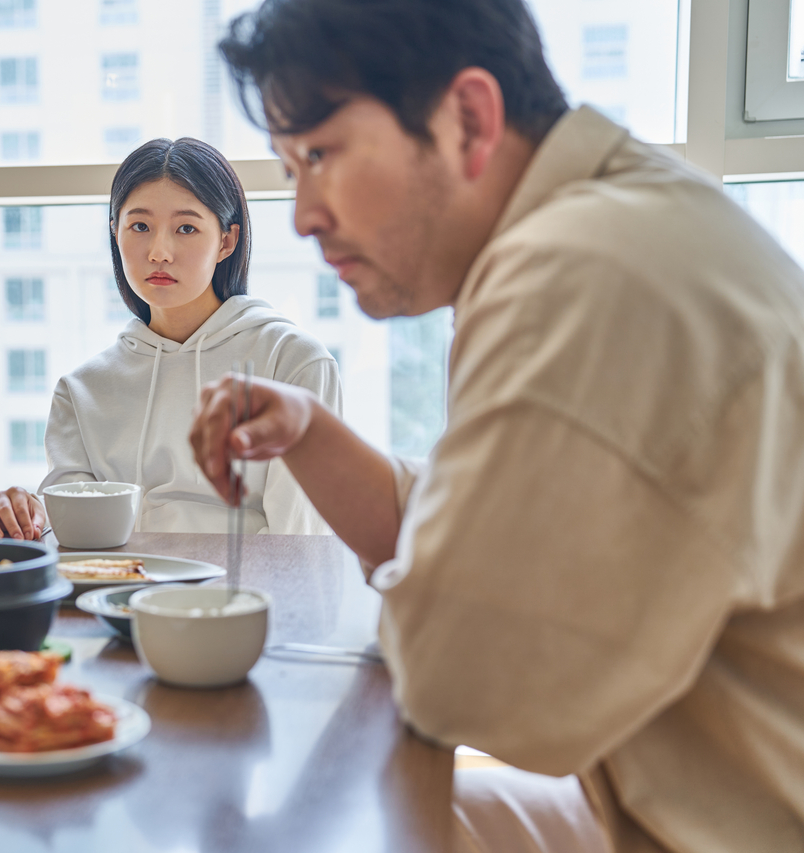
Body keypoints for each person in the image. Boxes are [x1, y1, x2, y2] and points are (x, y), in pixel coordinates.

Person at [188, 1, 804, 852]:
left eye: (321, 154)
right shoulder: (616, 218)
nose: (302, 214)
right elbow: (471, 531)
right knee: (348, 815)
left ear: (469, 117)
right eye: (292, 168)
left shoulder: (579, 274)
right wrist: (307, 431)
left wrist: (434, 580)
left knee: (325, 826)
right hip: (689, 801)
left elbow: (458, 674)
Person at [0, 137, 339, 540]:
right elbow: (73, 540)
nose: (159, 252)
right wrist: (28, 512)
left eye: (186, 228)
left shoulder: (292, 362)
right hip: (114, 600)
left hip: (241, 600)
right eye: (140, 226)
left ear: (226, 242)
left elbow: (298, 545)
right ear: (115, 232)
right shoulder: (82, 390)